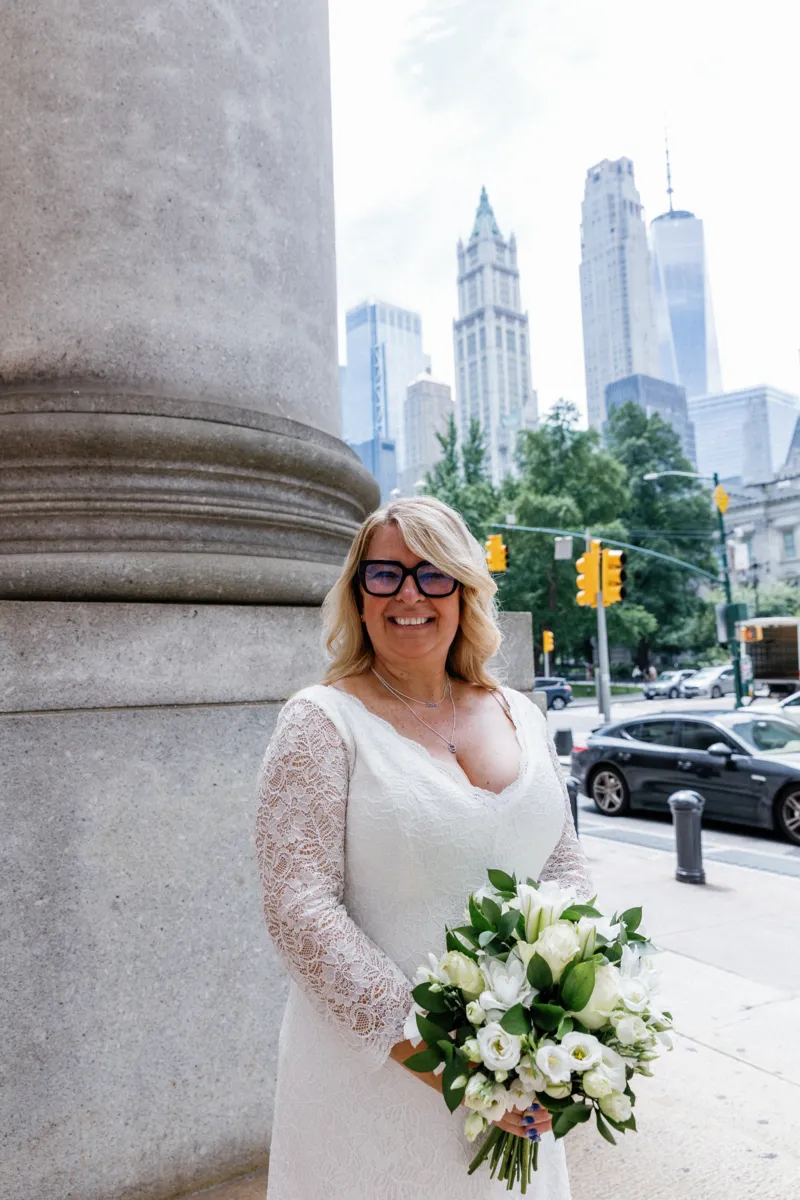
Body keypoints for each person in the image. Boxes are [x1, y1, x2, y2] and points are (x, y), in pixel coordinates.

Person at [255, 496, 592, 1198]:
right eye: (386, 575)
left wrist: (565, 1026)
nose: (409, 593)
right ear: (358, 594)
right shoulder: (320, 722)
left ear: (465, 590)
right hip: (379, 1084)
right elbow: (299, 907)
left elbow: (561, 862)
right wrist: (455, 1066)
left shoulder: (520, 713)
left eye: (432, 573)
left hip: (520, 1077)